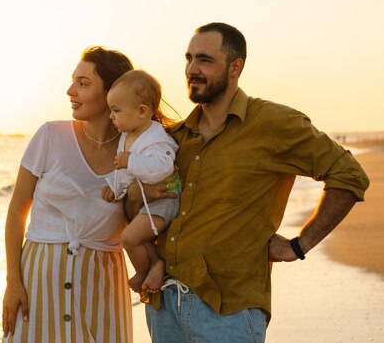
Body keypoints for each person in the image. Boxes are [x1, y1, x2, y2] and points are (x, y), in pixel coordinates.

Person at [126, 22, 370, 343]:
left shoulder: (273, 123)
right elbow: (138, 206)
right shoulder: (173, 139)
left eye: (204, 60)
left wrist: (300, 244)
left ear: (235, 66)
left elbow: (349, 175)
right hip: (164, 306)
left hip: (228, 312)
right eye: (188, 59)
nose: (192, 69)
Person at [2, 46, 135, 343]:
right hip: (37, 284)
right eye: (73, 81)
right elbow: (16, 210)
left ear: (113, 92)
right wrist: (13, 282)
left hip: (103, 290)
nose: (70, 90)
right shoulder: (50, 136)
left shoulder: (137, 152)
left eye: (84, 84)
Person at [101, 69, 181, 295]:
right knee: (139, 237)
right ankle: (156, 263)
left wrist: (131, 160)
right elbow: (126, 172)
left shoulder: (156, 138)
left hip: (164, 201)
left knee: (129, 237)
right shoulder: (128, 135)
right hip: (147, 202)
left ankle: (143, 272)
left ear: (142, 111)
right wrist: (115, 187)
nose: (111, 116)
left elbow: (162, 168)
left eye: (116, 110)